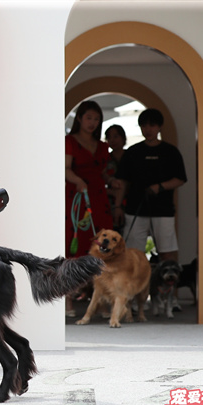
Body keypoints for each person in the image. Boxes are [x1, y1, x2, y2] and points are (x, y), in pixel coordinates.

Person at [113, 108, 187, 265]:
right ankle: (136, 281)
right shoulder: (132, 152)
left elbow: (180, 179)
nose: (148, 130)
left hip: (163, 210)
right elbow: (122, 181)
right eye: (144, 126)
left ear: (159, 127)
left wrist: (160, 187)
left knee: (167, 253)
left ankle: (167, 280)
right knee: (133, 255)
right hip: (135, 209)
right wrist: (118, 206)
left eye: (152, 125)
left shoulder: (170, 151)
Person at [65, 100, 113, 316]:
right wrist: (78, 180)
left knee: (102, 248)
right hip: (76, 198)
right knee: (73, 246)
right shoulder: (70, 141)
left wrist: (112, 182)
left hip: (99, 198)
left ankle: (101, 301)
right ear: (79, 119)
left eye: (96, 119)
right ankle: (68, 301)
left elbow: (102, 172)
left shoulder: (102, 145)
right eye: (88, 118)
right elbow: (65, 168)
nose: (92, 122)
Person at [104, 124, 127, 231]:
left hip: (130, 202)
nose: (112, 140)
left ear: (123, 138)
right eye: (109, 137)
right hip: (110, 203)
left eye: (116, 136)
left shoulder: (131, 156)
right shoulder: (105, 159)